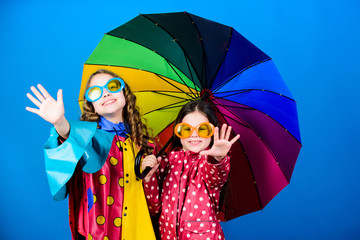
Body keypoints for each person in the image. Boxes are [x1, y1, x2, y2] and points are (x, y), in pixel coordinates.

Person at [26, 69, 156, 240]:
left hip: (140, 229)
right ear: (91, 104)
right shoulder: (90, 138)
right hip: (102, 230)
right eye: (96, 91)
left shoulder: (145, 143)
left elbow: (155, 204)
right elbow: (72, 137)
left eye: (113, 86)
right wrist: (60, 123)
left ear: (125, 92)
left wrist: (148, 177)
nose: (106, 93)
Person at [141, 101, 240, 240]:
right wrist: (148, 177)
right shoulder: (166, 161)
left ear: (212, 132)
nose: (194, 135)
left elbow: (217, 176)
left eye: (203, 129)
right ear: (178, 131)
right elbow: (154, 208)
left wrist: (217, 158)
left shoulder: (208, 163)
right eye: (186, 129)